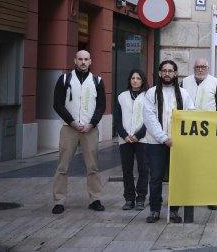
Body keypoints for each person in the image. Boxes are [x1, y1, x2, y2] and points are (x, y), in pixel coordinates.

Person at [51, 50, 106, 214]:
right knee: (62, 166)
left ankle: (95, 199)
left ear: (91, 61)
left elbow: (101, 106)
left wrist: (92, 123)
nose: (83, 62)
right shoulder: (65, 79)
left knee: (93, 167)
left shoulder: (97, 81)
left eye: (86, 59)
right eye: (80, 59)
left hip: (90, 129)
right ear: (75, 61)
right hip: (69, 129)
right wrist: (72, 122)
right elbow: (57, 104)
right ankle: (59, 201)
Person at [143, 60, 195, 224]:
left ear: (175, 73)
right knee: (156, 177)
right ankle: (155, 210)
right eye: (164, 71)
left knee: (176, 177)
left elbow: (190, 115)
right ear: (159, 73)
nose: (167, 73)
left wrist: (177, 138)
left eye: (170, 71)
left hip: (177, 143)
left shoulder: (184, 94)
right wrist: (164, 138)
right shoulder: (151, 93)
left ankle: (174, 210)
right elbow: (149, 118)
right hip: (156, 143)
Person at [182, 57, 217, 211]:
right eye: (197, 67)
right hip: (188, 132)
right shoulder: (185, 82)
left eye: (203, 67)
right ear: (193, 68)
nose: (200, 69)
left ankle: (211, 197)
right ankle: (187, 196)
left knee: (210, 166)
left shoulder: (216, 83)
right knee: (189, 165)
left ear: (207, 68)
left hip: (209, 134)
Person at [114, 69, 149, 211]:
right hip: (125, 140)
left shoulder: (149, 96)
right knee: (127, 170)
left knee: (143, 169)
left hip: (143, 139)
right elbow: (117, 118)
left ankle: (141, 198)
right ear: (129, 80)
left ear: (142, 80)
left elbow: (150, 118)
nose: (135, 80)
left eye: (138, 78)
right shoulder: (122, 96)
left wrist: (138, 135)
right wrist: (124, 135)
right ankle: (129, 199)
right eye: (133, 78)